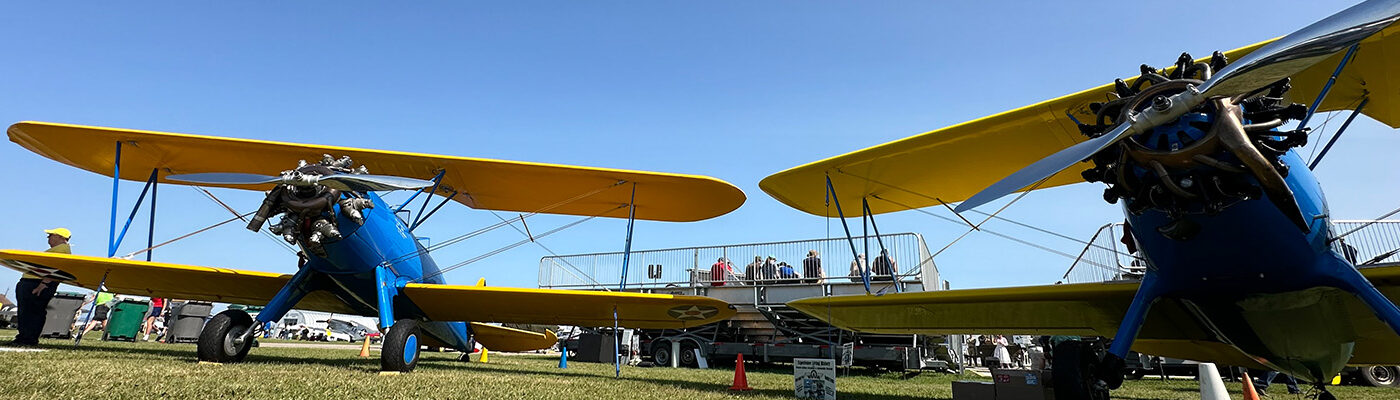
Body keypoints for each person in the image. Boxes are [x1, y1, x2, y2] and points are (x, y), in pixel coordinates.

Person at [9, 228, 72, 347]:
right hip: (35, 282)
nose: (48, 238)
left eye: (51, 235)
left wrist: (43, 284)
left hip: (36, 283)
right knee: (27, 311)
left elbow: (58, 269)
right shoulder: (57, 250)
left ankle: (28, 339)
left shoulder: (61, 250)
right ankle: (24, 337)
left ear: (60, 237)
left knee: (32, 311)